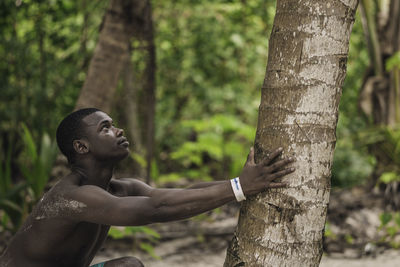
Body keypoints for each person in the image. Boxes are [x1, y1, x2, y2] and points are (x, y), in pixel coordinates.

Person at [0, 108, 295, 267]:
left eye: (113, 124)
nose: (118, 130)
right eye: (105, 127)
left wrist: (244, 182)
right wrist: (240, 188)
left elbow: (173, 195)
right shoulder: (71, 196)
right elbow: (156, 209)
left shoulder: (117, 188)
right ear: (81, 146)